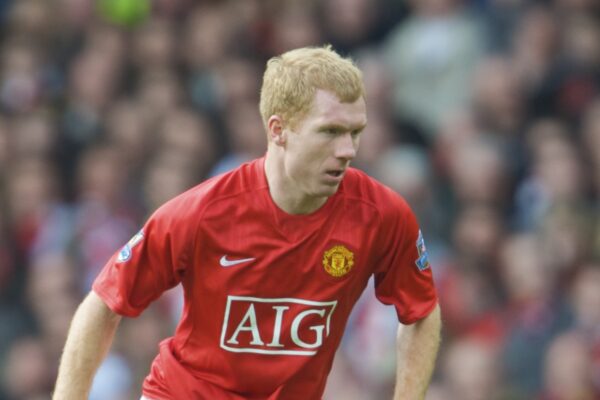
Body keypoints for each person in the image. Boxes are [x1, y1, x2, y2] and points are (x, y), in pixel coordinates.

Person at [53, 45, 441, 400]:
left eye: (356, 132)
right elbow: (103, 304)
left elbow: (421, 312)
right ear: (278, 130)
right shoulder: (202, 213)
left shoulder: (382, 216)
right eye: (330, 132)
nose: (348, 151)